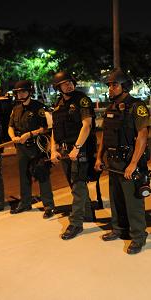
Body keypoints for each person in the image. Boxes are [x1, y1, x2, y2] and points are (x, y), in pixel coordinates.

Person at [94, 69, 150, 255]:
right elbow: (105, 135)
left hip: (129, 162)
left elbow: (142, 135)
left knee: (133, 203)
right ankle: (118, 229)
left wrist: (134, 164)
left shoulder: (137, 106)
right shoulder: (111, 107)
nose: (110, 88)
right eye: (109, 85)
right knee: (116, 199)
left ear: (124, 86)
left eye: (114, 84)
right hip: (113, 162)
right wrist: (98, 157)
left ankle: (138, 237)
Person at [50, 71, 96, 240]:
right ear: (59, 87)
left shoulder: (81, 100)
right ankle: (88, 214)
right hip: (64, 150)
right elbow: (54, 129)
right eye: (64, 83)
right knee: (74, 184)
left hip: (79, 149)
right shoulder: (58, 104)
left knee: (77, 186)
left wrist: (77, 148)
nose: (68, 85)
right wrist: (53, 149)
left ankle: (75, 223)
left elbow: (87, 125)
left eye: (70, 82)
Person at [8, 80, 55, 218]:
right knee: (24, 176)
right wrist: (12, 137)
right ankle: (25, 202)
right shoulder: (15, 109)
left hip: (37, 146)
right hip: (21, 148)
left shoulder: (39, 108)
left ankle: (48, 206)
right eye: (18, 92)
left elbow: (46, 127)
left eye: (23, 91)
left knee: (42, 174)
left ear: (29, 92)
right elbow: (10, 126)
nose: (20, 94)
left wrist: (29, 134)